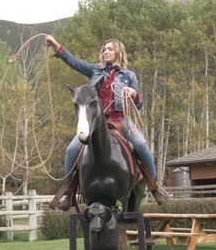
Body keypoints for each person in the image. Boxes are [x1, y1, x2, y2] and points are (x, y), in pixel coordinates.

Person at [45, 35, 169, 207]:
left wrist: (133, 94)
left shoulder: (129, 75)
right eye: (104, 49)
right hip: (96, 123)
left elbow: (139, 105)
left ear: (119, 52)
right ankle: (69, 190)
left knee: (141, 145)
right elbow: (74, 62)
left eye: (110, 49)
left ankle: (155, 187)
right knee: (71, 149)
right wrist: (57, 47)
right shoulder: (94, 70)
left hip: (121, 120)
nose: (106, 52)